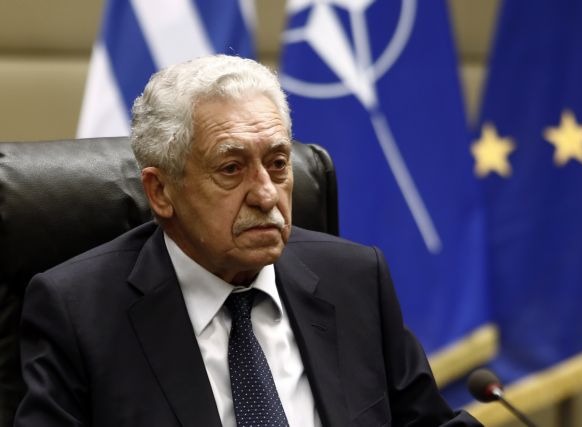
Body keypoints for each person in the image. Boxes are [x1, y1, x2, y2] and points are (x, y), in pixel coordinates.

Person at [15, 55, 481, 426]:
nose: (266, 194)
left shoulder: (355, 279)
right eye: (231, 168)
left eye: (278, 163)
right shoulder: (79, 313)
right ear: (161, 192)